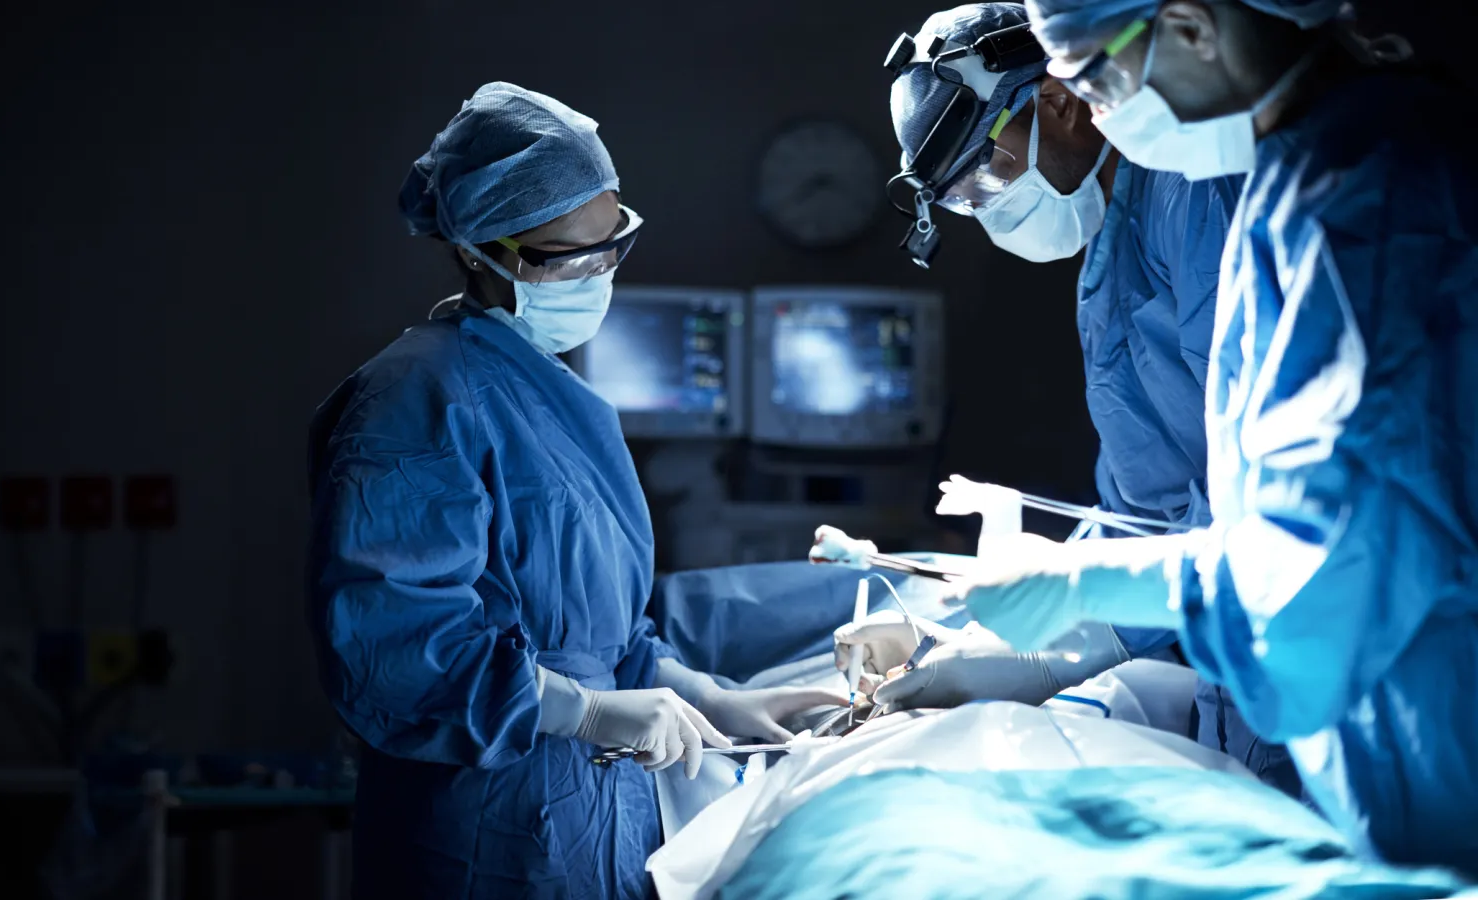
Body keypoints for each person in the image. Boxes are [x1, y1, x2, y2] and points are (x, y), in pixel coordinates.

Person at [941, 0, 1478, 873]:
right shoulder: (1294, 178)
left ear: (1192, 28)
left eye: (1094, 80)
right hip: (1380, 751)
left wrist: (1081, 585)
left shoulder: (1371, 194)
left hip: (1437, 745)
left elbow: (1326, 570)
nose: (1090, 111)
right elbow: (1210, 501)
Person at [305, 82, 840, 899]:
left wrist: (707, 696)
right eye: (567, 256)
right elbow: (398, 655)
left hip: (596, 823)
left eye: (612, 243)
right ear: (482, 250)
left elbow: (606, 633)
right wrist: (585, 712)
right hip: (484, 834)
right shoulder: (414, 402)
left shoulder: (556, 397)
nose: (597, 273)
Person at [841, 3, 1298, 795]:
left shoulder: (1204, 202)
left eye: (987, 175)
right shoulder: (1110, 255)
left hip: (1298, 649)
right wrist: (975, 628)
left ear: (1057, 100)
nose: (987, 206)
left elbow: (1255, 502)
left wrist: (1063, 643)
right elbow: (1142, 514)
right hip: (1230, 657)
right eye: (964, 200)